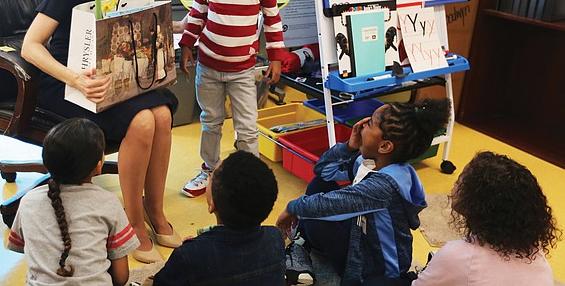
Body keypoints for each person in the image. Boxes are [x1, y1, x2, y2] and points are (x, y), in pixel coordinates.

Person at [21, 0, 182, 263]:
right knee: (143, 120)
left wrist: (168, 32)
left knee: (162, 114)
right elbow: (31, 46)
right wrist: (75, 79)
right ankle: (134, 223)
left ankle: (156, 212)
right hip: (64, 79)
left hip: (109, 75)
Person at [276, 98, 452, 285]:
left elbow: (330, 205)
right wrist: (348, 147)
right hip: (360, 235)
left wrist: (292, 208)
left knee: (315, 215)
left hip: (375, 269)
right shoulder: (368, 162)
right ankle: (302, 242)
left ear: (384, 146)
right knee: (319, 186)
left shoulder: (385, 186)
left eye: (369, 124)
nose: (360, 126)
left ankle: (300, 245)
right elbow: (323, 171)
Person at [178, 0, 285, 198]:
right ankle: (210, 169)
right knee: (210, 121)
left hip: (242, 71)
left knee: (247, 127)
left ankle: (248, 176)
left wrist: (276, 57)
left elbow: (273, 22)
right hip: (208, 68)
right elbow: (196, 18)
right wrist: (186, 46)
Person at [7, 118, 140, 285]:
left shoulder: (28, 202)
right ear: (99, 166)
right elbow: (121, 278)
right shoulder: (108, 203)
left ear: (47, 164)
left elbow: (20, 246)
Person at [412, 151, 561, 286]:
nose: (455, 183)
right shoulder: (536, 255)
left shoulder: (458, 255)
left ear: (478, 201)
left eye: (461, 181)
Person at [150, 151, 285, 285]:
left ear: (212, 204)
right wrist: (198, 248)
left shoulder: (188, 256)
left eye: (210, 177)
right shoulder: (275, 238)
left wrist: (191, 252)